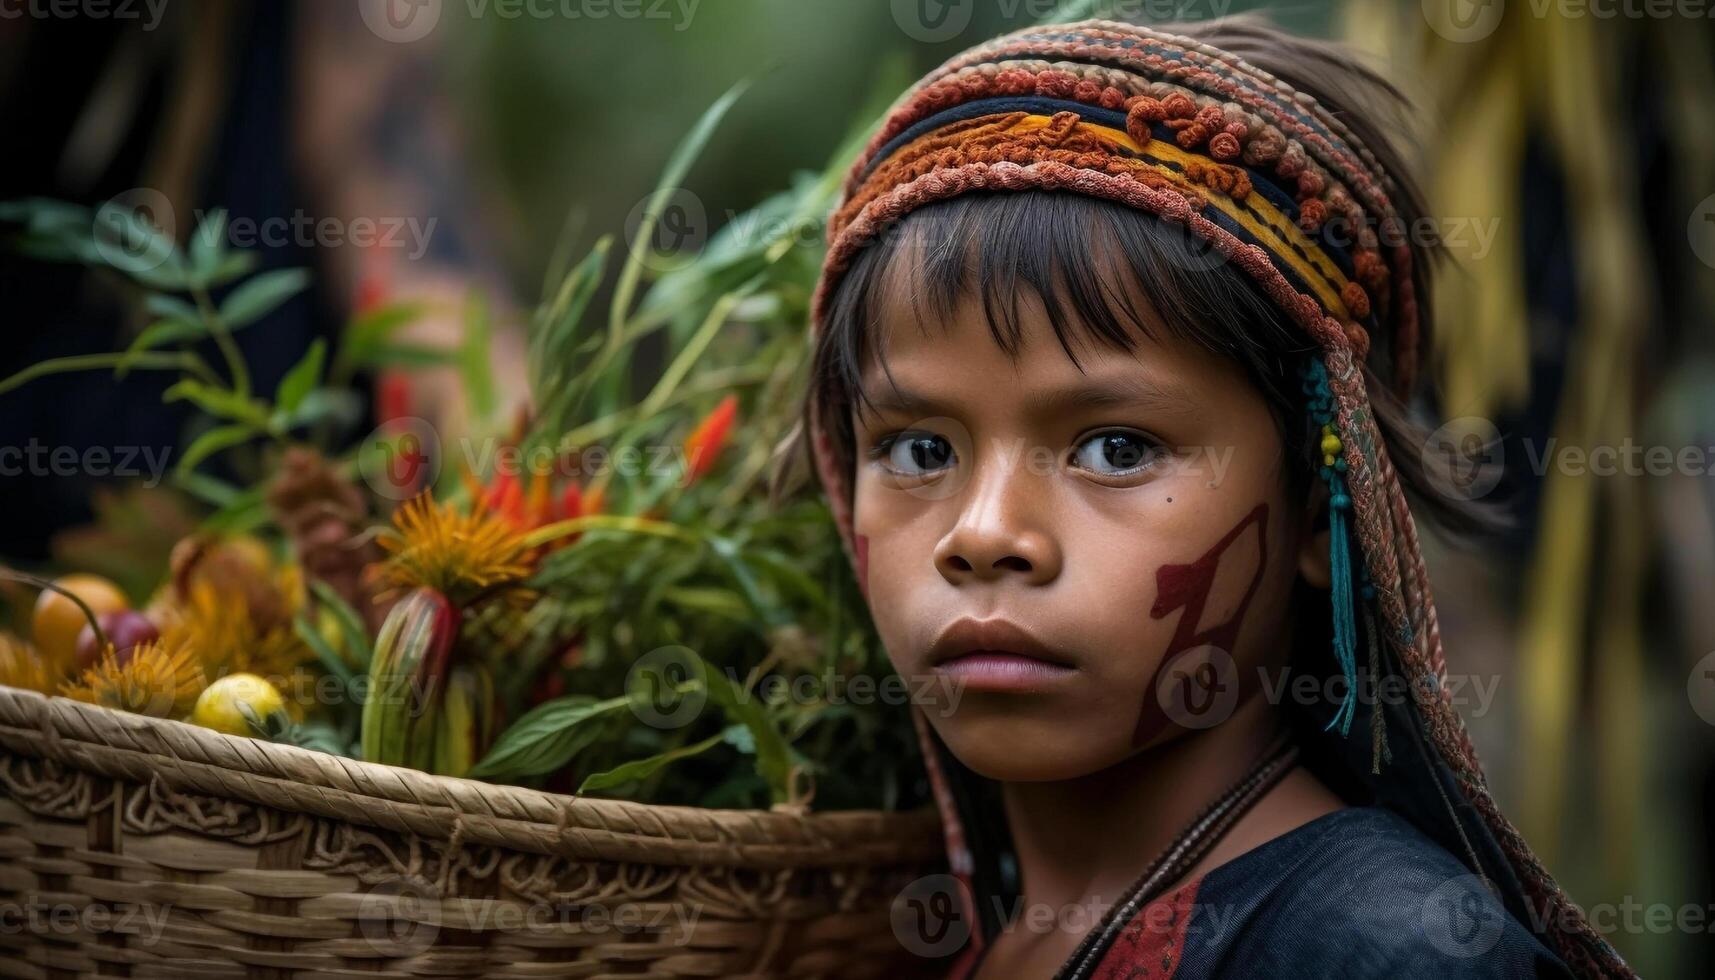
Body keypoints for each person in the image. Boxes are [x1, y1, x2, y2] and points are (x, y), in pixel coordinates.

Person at [792, 16, 1634, 979]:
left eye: (1115, 448)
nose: (983, 536)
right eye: (917, 448)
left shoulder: (1397, 956)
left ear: (1323, 505)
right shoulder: (928, 942)